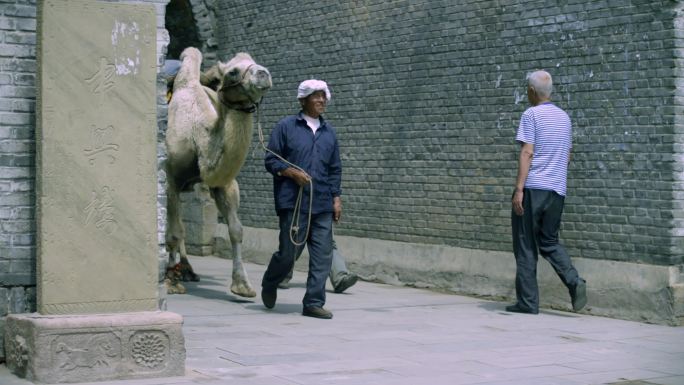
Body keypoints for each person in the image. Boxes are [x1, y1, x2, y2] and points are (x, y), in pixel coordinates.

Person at [508, 70, 587, 315]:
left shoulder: (531, 114)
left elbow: (527, 152)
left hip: (534, 188)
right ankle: (574, 281)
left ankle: (528, 303)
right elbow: (568, 155)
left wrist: (519, 189)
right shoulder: (564, 118)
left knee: (525, 244)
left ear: (532, 91)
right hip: (557, 190)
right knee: (549, 242)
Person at [261, 79, 342, 319]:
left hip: (322, 203)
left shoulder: (329, 133)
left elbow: (335, 168)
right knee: (288, 254)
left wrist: (336, 197)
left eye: (323, 96)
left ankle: (313, 303)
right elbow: (271, 160)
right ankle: (270, 280)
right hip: (293, 203)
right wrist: (290, 172)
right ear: (303, 100)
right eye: (315, 96)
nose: (321, 100)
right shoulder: (286, 127)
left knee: (322, 255)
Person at [278, 237, 359, 293]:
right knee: (296, 240)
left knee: (327, 242)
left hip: (323, 213)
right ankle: (281, 275)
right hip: (301, 213)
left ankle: (339, 279)